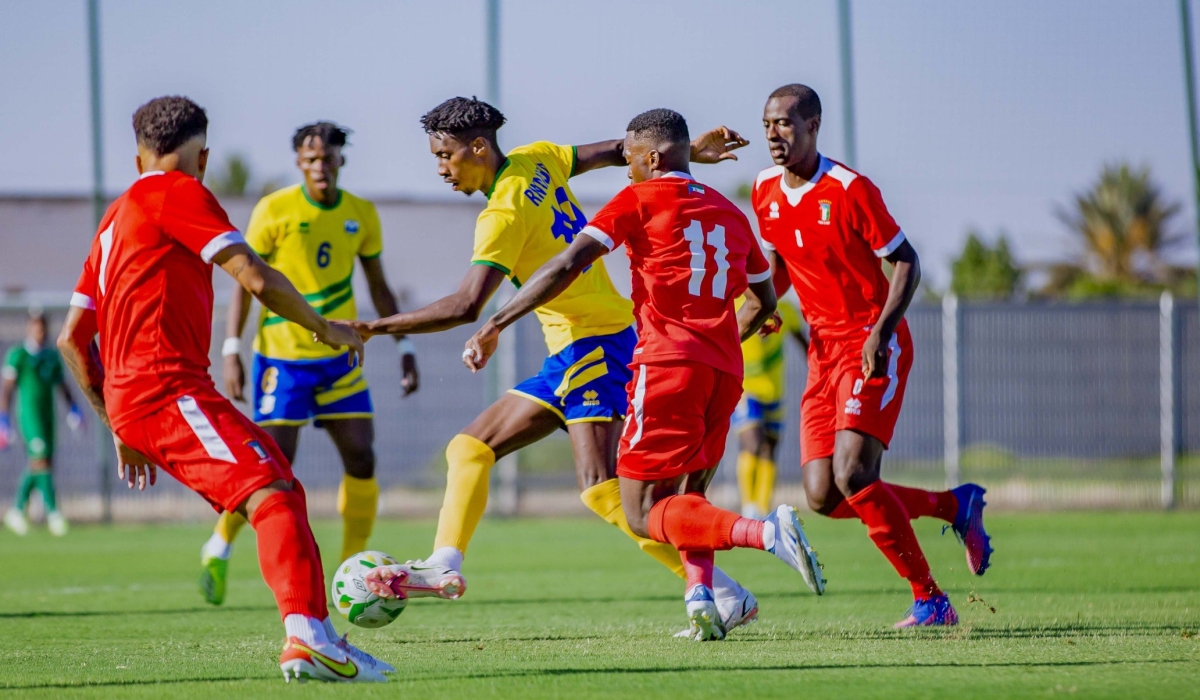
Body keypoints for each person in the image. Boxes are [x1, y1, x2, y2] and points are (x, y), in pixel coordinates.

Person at [339, 97, 765, 632]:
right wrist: (688, 154)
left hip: (595, 342)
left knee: (600, 487)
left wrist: (372, 328)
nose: (441, 168)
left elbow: (466, 305)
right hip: (581, 345)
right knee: (472, 448)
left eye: (445, 155)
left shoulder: (501, 214)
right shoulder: (536, 158)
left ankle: (723, 587)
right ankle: (444, 563)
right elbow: (617, 149)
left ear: (477, 147)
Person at [417, 108, 826, 641]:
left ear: (651, 159)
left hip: (647, 359)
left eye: (632, 159)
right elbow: (765, 298)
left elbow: (567, 265)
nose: (625, 166)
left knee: (635, 508)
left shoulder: (633, 199)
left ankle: (764, 532)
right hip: (722, 370)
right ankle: (711, 596)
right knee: (682, 498)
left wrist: (495, 323)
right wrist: (720, 340)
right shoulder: (729, 210)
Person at [58, 95, 389, 682]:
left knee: (284, 487)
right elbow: (254, 276)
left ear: (138, 158)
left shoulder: (112, 219)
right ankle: (304, 638)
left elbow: (72, 338)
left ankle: (321, 637)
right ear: (202, 158)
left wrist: (117, 424)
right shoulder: (179, 191)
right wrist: (324, 327)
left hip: (142, 401)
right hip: (167, 390)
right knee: (272, 493)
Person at [753, 83, 993, 628]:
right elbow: (781, 264)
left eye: (785, 124)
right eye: (768, 124)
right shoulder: (764, 189)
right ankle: (955, 507)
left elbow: (905, 260)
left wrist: (881, 332)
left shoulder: (850, 190)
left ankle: (930, 598)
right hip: (821, 351)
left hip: (870, 343)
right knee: (823, 495)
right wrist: (762, 307)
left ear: (814, 126)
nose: (773, 134)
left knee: (855, 475)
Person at [199, 122, 420, 607]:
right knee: (271, 468)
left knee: (362, 456)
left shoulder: (360, 214)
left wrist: (405, 344)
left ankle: (354, 575)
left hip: (338, 357)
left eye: (329, 157)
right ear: (299, 161)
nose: (321, 165)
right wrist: (231, 347)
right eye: (311, 157)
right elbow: (244, 280)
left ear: (341, 160)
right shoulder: (274, 209)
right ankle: (219, 543)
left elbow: (379, 286)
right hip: (283, 359)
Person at [1, 308, 84, 537]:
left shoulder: (50, 357)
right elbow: (6, 390)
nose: (40, 332)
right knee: (41, 460)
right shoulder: (18, 355)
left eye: (43, 327)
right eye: (36, 327)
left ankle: (17, 510)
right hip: (29, 417)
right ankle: (54, 513)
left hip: (48, 417)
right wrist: (3, 420)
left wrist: (74, 410)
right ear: (29, 329)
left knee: (42, 463)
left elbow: (62, 386)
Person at [734, 290, 807, 519]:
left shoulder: (783, 307)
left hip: (775, 391)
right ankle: (748, 507)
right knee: (753, 443)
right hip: (745, 389)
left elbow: (803, 343)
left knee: (770, 449)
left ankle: (762, 510)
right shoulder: (736, 303)